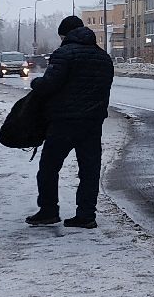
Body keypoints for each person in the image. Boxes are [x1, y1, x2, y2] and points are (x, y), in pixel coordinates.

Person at [25, 15, 115, 229]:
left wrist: (36, 83)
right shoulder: (103, 57)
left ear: (65, 34)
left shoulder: (64, 54)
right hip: (93, 122)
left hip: (64, 121)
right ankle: (86, 215)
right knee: (89, 169)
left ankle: (48, 210)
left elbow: (50, 84)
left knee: (49, 166)